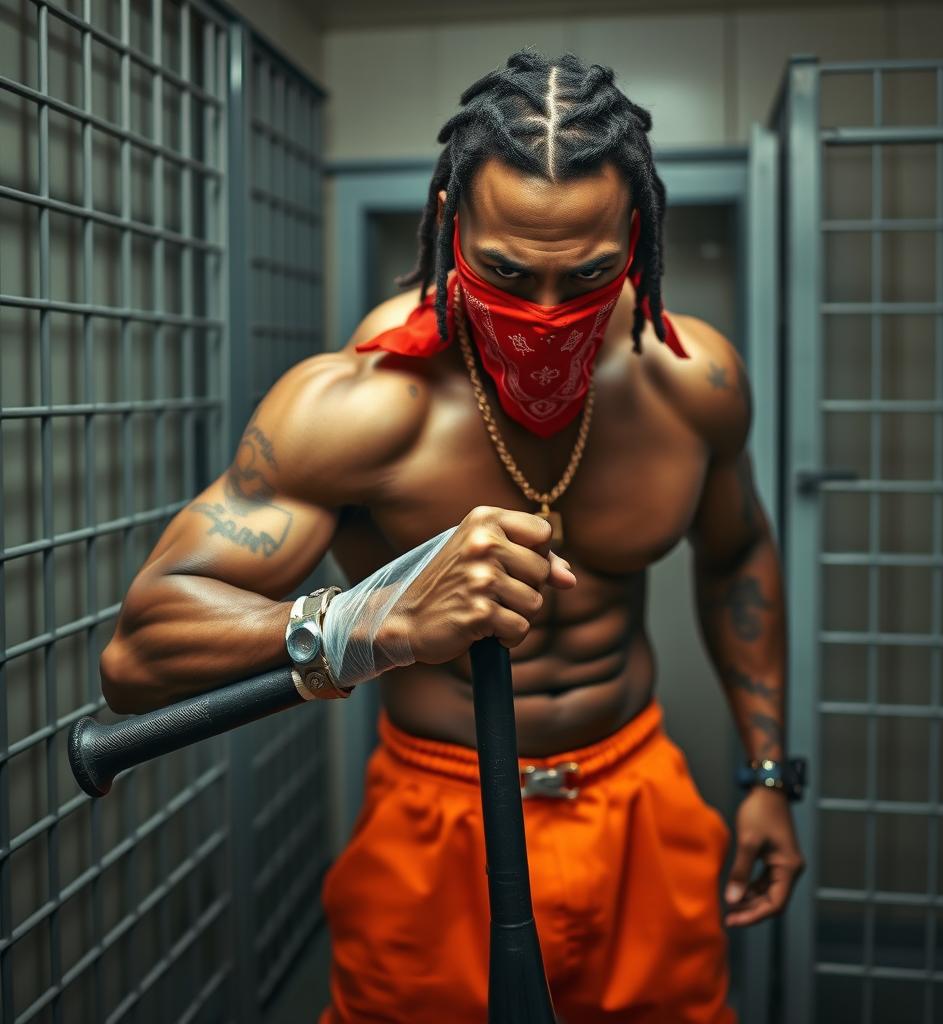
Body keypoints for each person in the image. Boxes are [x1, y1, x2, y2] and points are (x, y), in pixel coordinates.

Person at [100, 49, 805, 1024]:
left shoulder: (691, 384)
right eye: (509, 271)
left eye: (590, 275)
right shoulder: (355, 407)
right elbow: (137, 651)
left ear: (635, 237)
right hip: (438, 819)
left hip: (637, 795)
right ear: (449, 226)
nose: (550, 314)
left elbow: (736, 555)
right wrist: (373, 620)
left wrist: (768, 775)